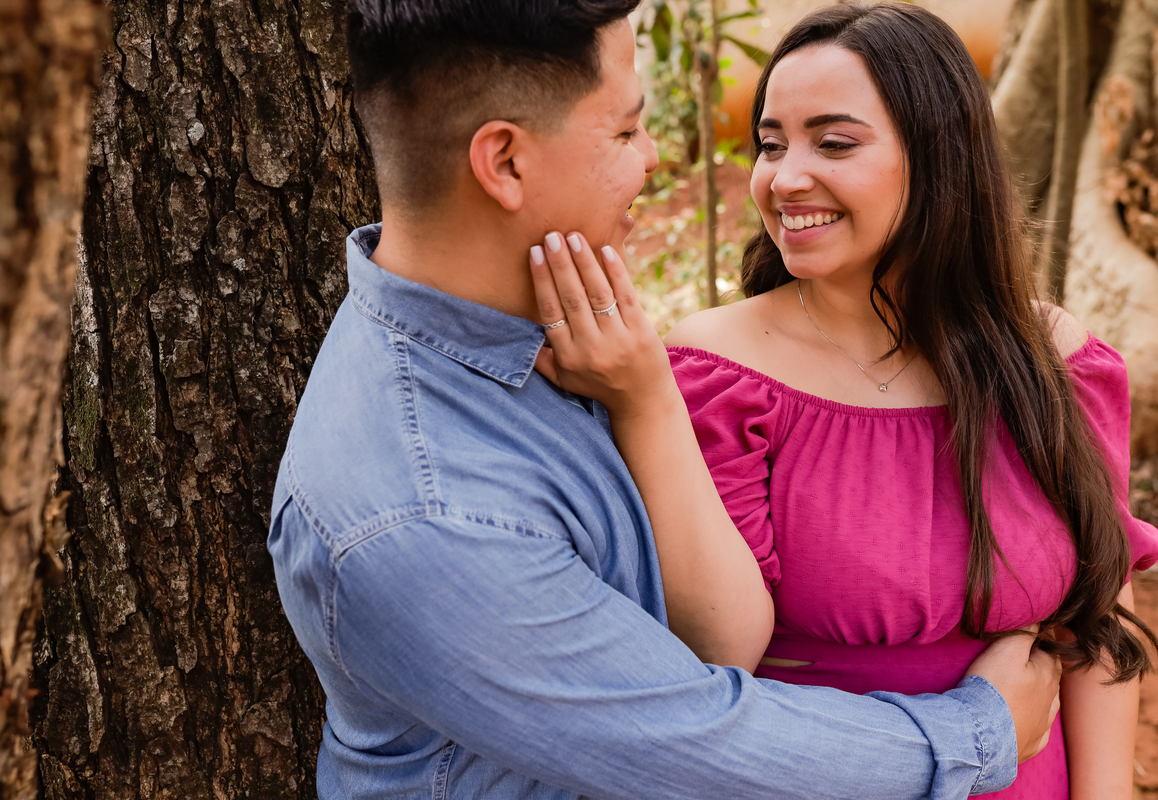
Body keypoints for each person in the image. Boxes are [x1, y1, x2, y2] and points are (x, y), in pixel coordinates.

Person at [266, 2, 1063, 798]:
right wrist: (979, 731)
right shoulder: (425, 511)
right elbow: (698, 743)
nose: (653, 157)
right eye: (625, 131)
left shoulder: (538, 330)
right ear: (504, 163)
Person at [529, 3, 1158, 799]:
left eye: (833, 143)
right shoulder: (719, 372)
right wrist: (645, 401)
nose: (785, 177)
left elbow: (1097, 619)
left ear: (940, 157)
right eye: (770, 145)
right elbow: (718, 651)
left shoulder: (1056, 361)